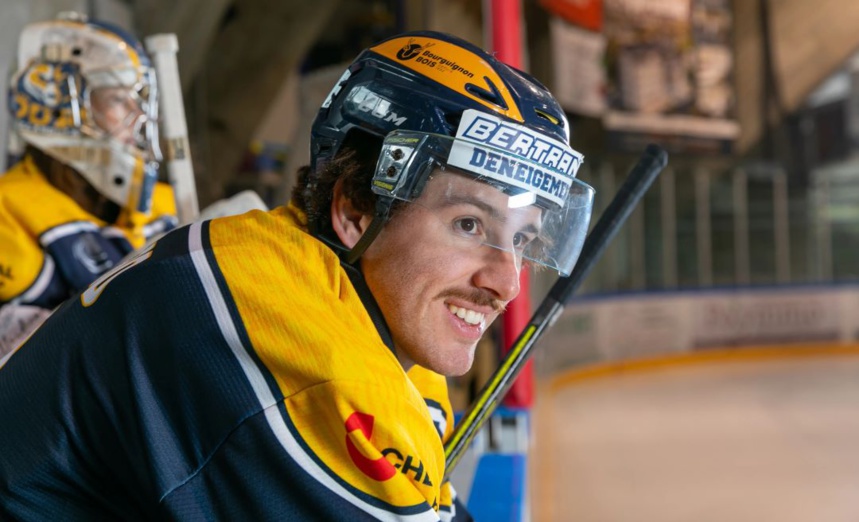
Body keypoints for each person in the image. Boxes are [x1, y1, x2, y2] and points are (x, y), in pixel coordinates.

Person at [0, 30, 594, 519]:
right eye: (469, 225)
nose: (507, 283)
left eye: (520, 239)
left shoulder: (336, 294)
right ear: (355, 208)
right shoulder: (307, 353)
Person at [0, 13, 177, 355]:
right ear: (57, 102)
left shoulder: (164, 201)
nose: (138, 116)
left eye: (138, 99)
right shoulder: (9, 211)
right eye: (116, 99)